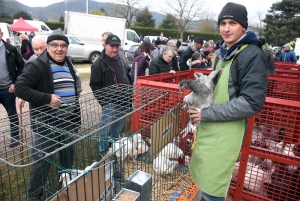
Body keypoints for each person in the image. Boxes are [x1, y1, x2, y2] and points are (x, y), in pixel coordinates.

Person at [187, 2, 268, 201]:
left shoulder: (252, 55)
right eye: (223, 23)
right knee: (206, 182)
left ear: (243, 27)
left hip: (226, 132)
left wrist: (206, 113)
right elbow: (225, 89)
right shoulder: (225, 52)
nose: (226, 28)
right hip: (212, 129)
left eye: (232, 23)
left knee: (214, 188)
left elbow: (251, 103)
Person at [15, 29, 82, 201]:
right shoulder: (37, 65)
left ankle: (65, 179)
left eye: (63, 45)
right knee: (42, 158)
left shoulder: (68, 62)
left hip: (67, 120)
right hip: (47, 122)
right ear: (48, 47)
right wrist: (47, 98)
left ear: (67, 47)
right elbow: (21, 88)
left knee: (67, 151)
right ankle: (34, 195)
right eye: (54, 45)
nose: (59, 49)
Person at [90, 34, 132, 156]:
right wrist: (105, 102)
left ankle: (115, 148)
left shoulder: (120, 59)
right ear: (105, 46)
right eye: (112, 46)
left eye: (117, 46)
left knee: (117, 128)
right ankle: (103, 152)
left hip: (123, 101)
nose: (114, 49)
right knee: (105, 128)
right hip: (110, 103)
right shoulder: (98, 64)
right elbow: (95, 85)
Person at [0, 27, 24, 148]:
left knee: (12, 115)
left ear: (1, 34)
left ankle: (15, 139)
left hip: (7, 90)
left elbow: (21, 66)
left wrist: (15, 83)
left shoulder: (11, 49)